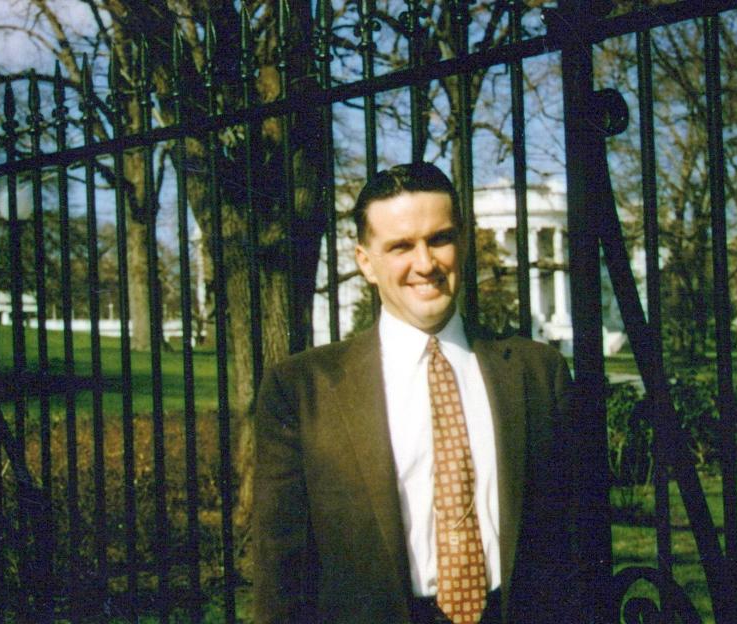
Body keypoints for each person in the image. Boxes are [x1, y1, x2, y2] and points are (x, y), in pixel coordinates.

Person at [251, 162, 590, 624]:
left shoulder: (537, 373)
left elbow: (573, 541)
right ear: (365, 263)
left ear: (463, 244)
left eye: (440, 239)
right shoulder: (303, 390)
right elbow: (282, 572)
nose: (426, 264)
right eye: (400, 247)